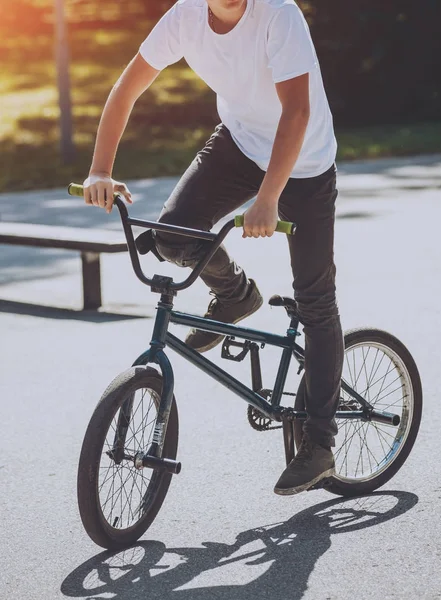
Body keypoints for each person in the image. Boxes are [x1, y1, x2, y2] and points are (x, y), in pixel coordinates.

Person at [82, 0, 344, 496]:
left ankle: (320, 443)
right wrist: (100, 169)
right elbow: (128, 88)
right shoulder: (185, 17)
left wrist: (269, 199)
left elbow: (298, 110)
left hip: (305, 160)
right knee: (173, 233)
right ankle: (235, 294)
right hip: (240, 144)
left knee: (314, 299)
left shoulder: (277, 13)